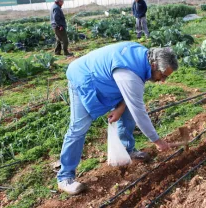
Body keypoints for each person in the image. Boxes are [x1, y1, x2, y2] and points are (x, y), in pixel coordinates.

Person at [57, 41, 178, 195]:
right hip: (83, 79)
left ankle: (128, 150)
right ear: (154, 65)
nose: (162, 81)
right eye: (162, 75)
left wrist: (120, 108)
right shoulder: (130, 74)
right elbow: (139, 112)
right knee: (78, 128)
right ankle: (65, 177)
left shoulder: (143, 56)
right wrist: (157, 141)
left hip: (108, 81)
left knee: (126, 112)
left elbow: (129, 94)